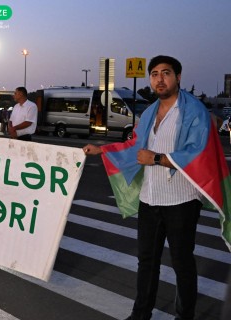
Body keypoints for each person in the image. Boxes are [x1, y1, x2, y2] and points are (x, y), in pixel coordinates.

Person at [83, 56, 231, 320]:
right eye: (154, 74)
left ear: (178, 77)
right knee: (147, 262)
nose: (159, 79)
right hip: (150, 199)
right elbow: (135, 147)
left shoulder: (193, 110)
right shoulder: (150, 113)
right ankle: (141, 314)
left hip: (182, 201)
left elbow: (199, 152)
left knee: (182, 263)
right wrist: (101, 149)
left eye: (166, 73)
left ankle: (184, 316)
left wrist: (157, 159)